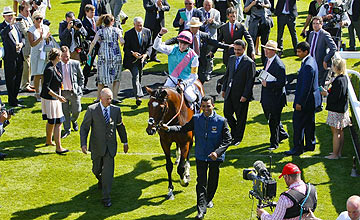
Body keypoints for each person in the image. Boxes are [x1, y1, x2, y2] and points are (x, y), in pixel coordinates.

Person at [161, 96, 232, 220]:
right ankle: (201, 210)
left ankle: (208, 200)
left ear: (213, 106)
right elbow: (183, 129)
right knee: (201, 183)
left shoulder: (221, 121)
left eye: (208, 106)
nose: (205, 109)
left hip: (215, 158)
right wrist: (169, 128)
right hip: (201, 156)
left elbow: (228, 139)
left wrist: (217, 152)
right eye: (203, 106)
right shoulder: (196, 119)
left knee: (213, 182)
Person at [80, 88, 129, 207]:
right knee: (96, 170)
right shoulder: (92, 110)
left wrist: (125, 142)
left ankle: (106, 197)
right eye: (107, 98)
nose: (109, 100)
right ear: (101, 98)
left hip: (110, 148)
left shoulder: (116, 110)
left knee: (108, 173)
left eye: (111, 98)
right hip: (97, 147)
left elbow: (120, 127)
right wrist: (83, 143)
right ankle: (100, 179)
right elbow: (84, 128)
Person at [285, 42, 321, 156]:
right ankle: (310, 144)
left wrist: (300, 102)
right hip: (311, 100)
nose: (297, 54)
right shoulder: (311, 61)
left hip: (305, 101)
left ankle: (297, 148)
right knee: (309, 123)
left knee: (298, 124)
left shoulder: (308, 65)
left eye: (299, 52)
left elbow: (306, 87)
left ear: (306, 52)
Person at [153, 28, 200, 110]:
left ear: (189, 44)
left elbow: (194, 76)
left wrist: (184, 84)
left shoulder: (194, 56)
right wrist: (160, 35)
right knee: (161, 96)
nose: (182, 46)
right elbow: (156, 46)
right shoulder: (172, 49)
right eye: (181, 43)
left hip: (185, 81)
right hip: (172, 79)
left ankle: (197, 105)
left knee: (190, 97)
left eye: (185, 44)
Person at [221, 39, 255, 146]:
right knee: (227, 113)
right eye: (235, 49)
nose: (236, 52)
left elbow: (250, 81)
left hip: (241, 95)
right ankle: (235, 131)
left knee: (241, 117)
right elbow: (227, 75)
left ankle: (238, 137)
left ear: (244, 49)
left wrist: (245, 95)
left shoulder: (249, 62)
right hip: (229, 92)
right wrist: (223, 89)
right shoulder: (231, 59)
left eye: (239, 50)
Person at [88, 14, 124, 103]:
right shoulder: (117, 30)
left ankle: (98, 98)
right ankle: (115, 97)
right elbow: (122, 41)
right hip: (115, 55)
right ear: (112, 22)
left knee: (101, 78)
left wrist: (89, 52)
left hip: (103, 56)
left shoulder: (100, 31)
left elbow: (93, 43)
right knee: (116, 77)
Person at [259, 40, 289, 150]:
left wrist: (268, 84)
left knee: (273, 121)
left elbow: (282, 83)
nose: (265, 51)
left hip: (275, 98)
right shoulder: (268, 60)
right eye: (265, 48)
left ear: (274, 51)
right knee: (271, 119)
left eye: (268, 49)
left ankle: (274, 143)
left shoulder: (279, 65)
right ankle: (282, 134)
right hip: (267, 96)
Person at [320, 58, 351, 159]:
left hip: (336, 110)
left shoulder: (338, 81)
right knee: (340, 131)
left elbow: (335, 96)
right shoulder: (344, 78)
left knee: (336, 132)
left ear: (336, 67)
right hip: (342, 109)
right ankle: (338, 152)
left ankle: (335, 154)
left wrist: (326, 93)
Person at [40, 48, 69, 154]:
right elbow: (46, 87)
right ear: (57, 57)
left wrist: (59, 96)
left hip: (53, 99)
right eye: (60, 55)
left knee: (51, 121)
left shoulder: (54, 66)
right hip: (51, 99)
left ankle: (49, 140)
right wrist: (58, 97)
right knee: (58, 122)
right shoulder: (50, 69)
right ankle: (59, 147)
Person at [123, 17, 152, 106]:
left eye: (141, 25)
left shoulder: (147, 32)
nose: (140, 27)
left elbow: (150, 45)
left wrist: (146, 55)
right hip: (132, 60)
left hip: (142, 60)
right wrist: (133, 53)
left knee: (139, 76)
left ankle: (137, 91)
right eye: (138, 25)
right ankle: (138, 96)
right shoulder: (128, 34)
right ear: (134, 25)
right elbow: (126, 48)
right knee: (135, 76)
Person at [57, 46, 84, 139]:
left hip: (74, 92)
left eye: (67, 56)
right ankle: (67, 130)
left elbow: (81, 77)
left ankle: (74, 120)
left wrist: (80, 88)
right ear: (60, 56)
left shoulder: (75, 64)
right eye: (64, 56)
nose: (66, 59)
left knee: (77, 110)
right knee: (65, 112)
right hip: (63, 93)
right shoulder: (57, 65)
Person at [0, 6, 24, 108]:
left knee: (18, 77)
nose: (10, 17)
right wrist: (10, 25)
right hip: (10, 57)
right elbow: (3, 34)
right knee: (11, 79)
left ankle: (15, 98)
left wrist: (21, 44)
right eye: (8, 15)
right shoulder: (3, 26)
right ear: (4, 16)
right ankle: (12, 100)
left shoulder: (16, 26)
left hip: (19, 55)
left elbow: (22, 37)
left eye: (11, 15)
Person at [28, 11, 51, 102]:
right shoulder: (31, 30)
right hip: (36, 54)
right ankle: (37, 92)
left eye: (41, 18)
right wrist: (40, 38)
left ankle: (43, 91)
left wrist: (48, 39)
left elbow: (48, 40)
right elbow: (32, 44)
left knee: (44, 73)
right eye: (37, 19)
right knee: (37, 74)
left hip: (45, 53)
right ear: (34, 20)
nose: (39, 20)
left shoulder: (45, 27)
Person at [307, 16, 337, 87]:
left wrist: (325, 60)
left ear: (321, 24)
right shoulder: (311, 34)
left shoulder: (325, 34)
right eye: (313, 23)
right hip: (311, 63)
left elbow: (333, 48)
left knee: (319, 85)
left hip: (321, 64)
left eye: (317, 23)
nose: (315, 25)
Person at [244, 0, 273, 64]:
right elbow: (245, 10)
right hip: (254, 21)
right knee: (251, 41)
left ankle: (265, 60)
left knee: (264, 41)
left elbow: (269, 5)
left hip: (264, 21)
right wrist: (252, 4)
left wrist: (263, 5)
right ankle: (249, 60)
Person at [16, 2, 35, 93]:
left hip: (30, 46)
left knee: (29, 65)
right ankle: (24, 85)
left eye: (29, 11)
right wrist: (35, 30)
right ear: (21, 11)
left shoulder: (28, 18)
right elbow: (25, 31)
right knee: (26, 66)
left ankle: (27, 83)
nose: (28, 13)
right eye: (26, 11)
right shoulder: (19, 20)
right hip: (25, 47)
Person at [81, 4, 99, 92]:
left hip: (99, 46)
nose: (93, 14)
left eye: (94, 12)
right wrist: (96, 38)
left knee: (103, 63)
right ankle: (83, 84)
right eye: (91, 12)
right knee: (88, 65)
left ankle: (100, 81)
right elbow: (86, 35)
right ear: (86, 12)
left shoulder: (96, 20)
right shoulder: (84, 23)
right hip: (90, 48)